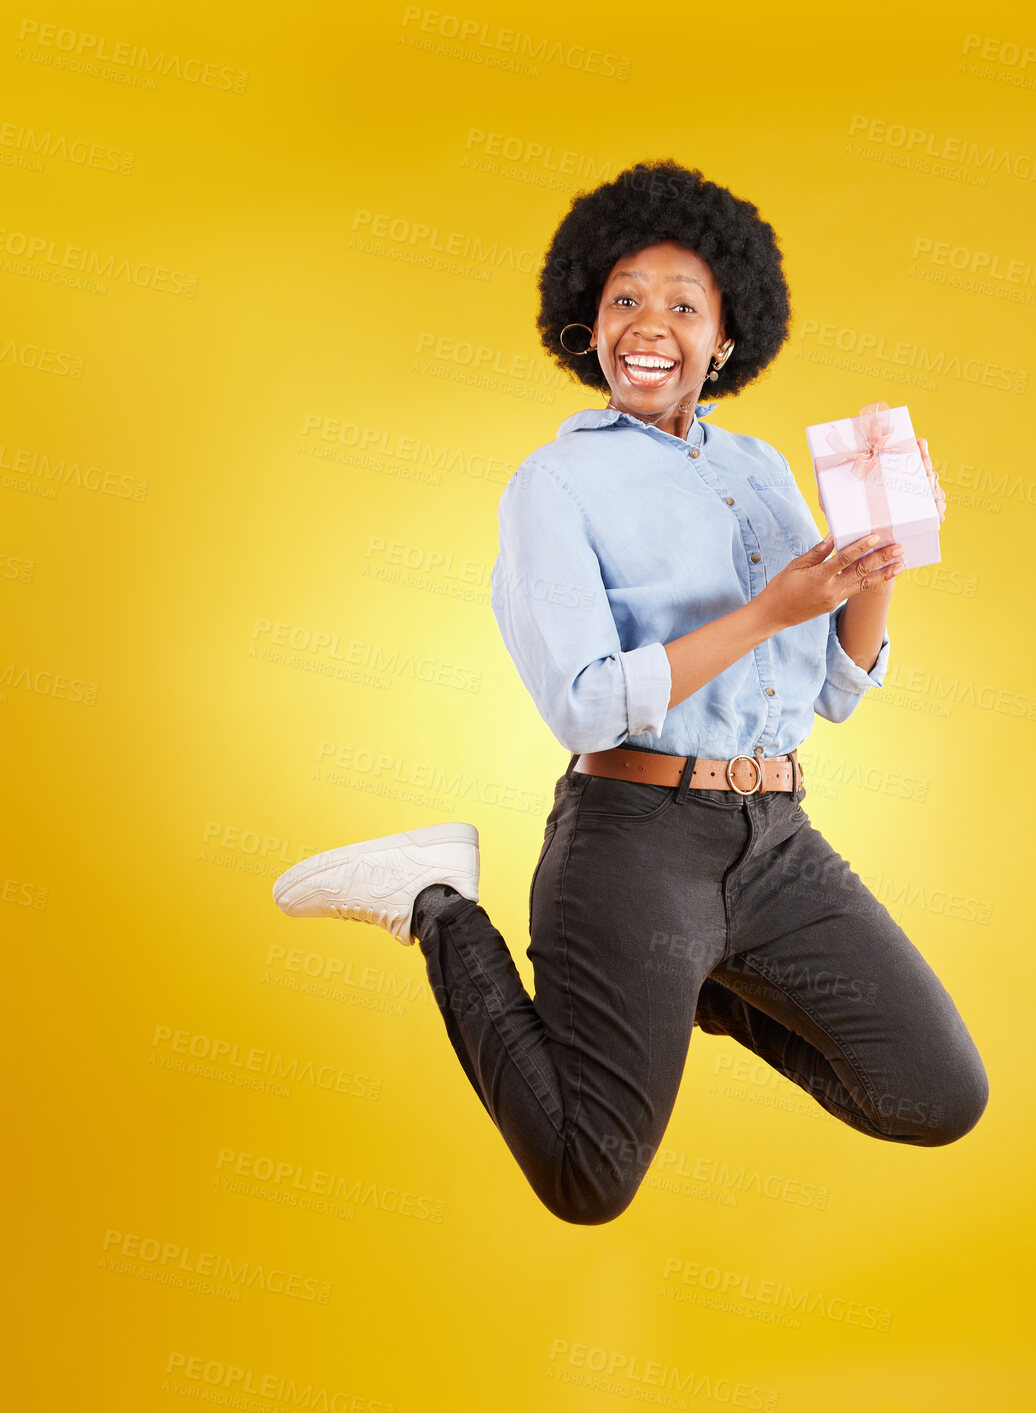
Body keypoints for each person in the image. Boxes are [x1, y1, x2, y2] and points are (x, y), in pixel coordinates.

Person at [273, 159, 988, 1225]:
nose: (648, 324)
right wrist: (766, 613)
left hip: (775, 837)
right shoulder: (553, 487)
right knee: (587, 1178)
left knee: (936, 1095)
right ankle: (432, 902)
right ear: (585, 327)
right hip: (634, 840)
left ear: (724, 337)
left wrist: (873, 573)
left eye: (682, 305)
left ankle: (695, 981)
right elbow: (583, 705)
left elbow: (833, 691)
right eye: (622, 300)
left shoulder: (761, 471)